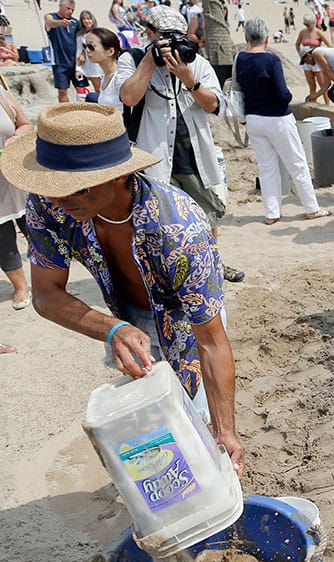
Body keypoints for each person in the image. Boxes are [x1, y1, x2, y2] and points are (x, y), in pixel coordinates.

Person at [0, 103, 245, 474]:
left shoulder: (179, 230)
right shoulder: (50, 206)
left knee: (196, 434)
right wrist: (112, 328)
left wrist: (227, 430)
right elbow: (46, 295)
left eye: (75, 190)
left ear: (117, 176)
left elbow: (210, 339)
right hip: (126, 315)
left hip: (185, 320)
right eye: (51, 187)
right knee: (153, 424)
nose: (58, 200)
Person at [118, 5, 244, 283]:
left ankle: (213, 265)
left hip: (193, 154)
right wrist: (149, 63)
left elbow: (214, 105)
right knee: (158, 222)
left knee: (205, 215)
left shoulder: (196, 62)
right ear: (149, 33)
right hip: (153, 158)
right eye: (165, 37)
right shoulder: (134, 60)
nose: (174, 44)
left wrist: (189, 80)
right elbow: (128, 97)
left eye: (178, 37)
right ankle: (167, 276)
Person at [238, 18, 327, 224]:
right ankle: (311, 208)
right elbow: (282, 94)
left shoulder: (240, 58)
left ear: (246, 38)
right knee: (297, 163)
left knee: (267, 167)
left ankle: (272, 213)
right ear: (267, 38)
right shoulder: (271, 60)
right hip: (277, 118)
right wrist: (286, 97)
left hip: (253, 118)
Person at [0, 83, 32, 311]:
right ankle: (21, 286)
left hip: (16, 174)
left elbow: (26, 125)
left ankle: (52, 279)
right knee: (2, 237)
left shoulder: (1, 93)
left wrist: (15, 137)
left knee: (34, 227)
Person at [45, 0, 80, 104]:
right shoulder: (51, 17)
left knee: (82, 89)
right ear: (60, 6)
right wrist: (61, 23)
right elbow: (49, 22)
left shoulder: (75, 22)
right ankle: (65, 114)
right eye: (68, 8)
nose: (70, 12)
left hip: (75, 62)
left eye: (72, 10)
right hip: (59, 61)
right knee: (62, 91)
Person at [85, 27, 125, 111]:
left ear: (110, 51)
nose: (87, 50)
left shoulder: (120, 78)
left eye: (91, 46)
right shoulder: (105, 76)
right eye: (85, 46)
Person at [296, 14, 333, 106]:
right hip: (307, 60)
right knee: (311, 85)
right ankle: (313, 104)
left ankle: (327, 105)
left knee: (322, 85)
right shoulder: (303, 32)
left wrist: (324, 57)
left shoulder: (318, 32)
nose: (306, 26)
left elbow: (330, 46)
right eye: (305, 24)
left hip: (317, 60)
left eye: (307, 24)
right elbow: (297, 44)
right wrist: (301, 54)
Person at [77, 11, 102, 92]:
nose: (86, 21)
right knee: (95, 89)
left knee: (102, 88)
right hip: (89, 65)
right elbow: (78, 50)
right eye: (84, 19)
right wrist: (77, 68)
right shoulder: (80, 36)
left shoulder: (99, 33)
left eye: (88, 18)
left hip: (100, 64)